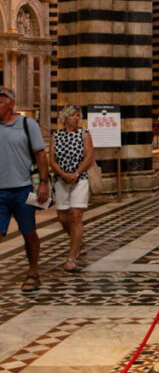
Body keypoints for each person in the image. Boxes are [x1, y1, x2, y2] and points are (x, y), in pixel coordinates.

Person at [0, 86, 50, 292]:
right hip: (0, 191)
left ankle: (33, 270)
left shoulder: (27, 125)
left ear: (11, 103)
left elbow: (40, 154)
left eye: (1, 101)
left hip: (23, 188)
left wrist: (44, 183)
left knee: (29, 232)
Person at [49, 104, 94, 271]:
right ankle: (77, 240)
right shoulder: (56, 135)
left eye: (78, 115)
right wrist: (63, 174)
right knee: (63, 217)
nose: (76, 118)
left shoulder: (84, 134)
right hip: (61, 179)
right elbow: (52, 160)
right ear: (65, 118)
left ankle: (71, 256)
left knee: (76, 216)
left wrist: (76, 173)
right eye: (73, 115)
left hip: (79, 179)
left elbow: (89, 156)